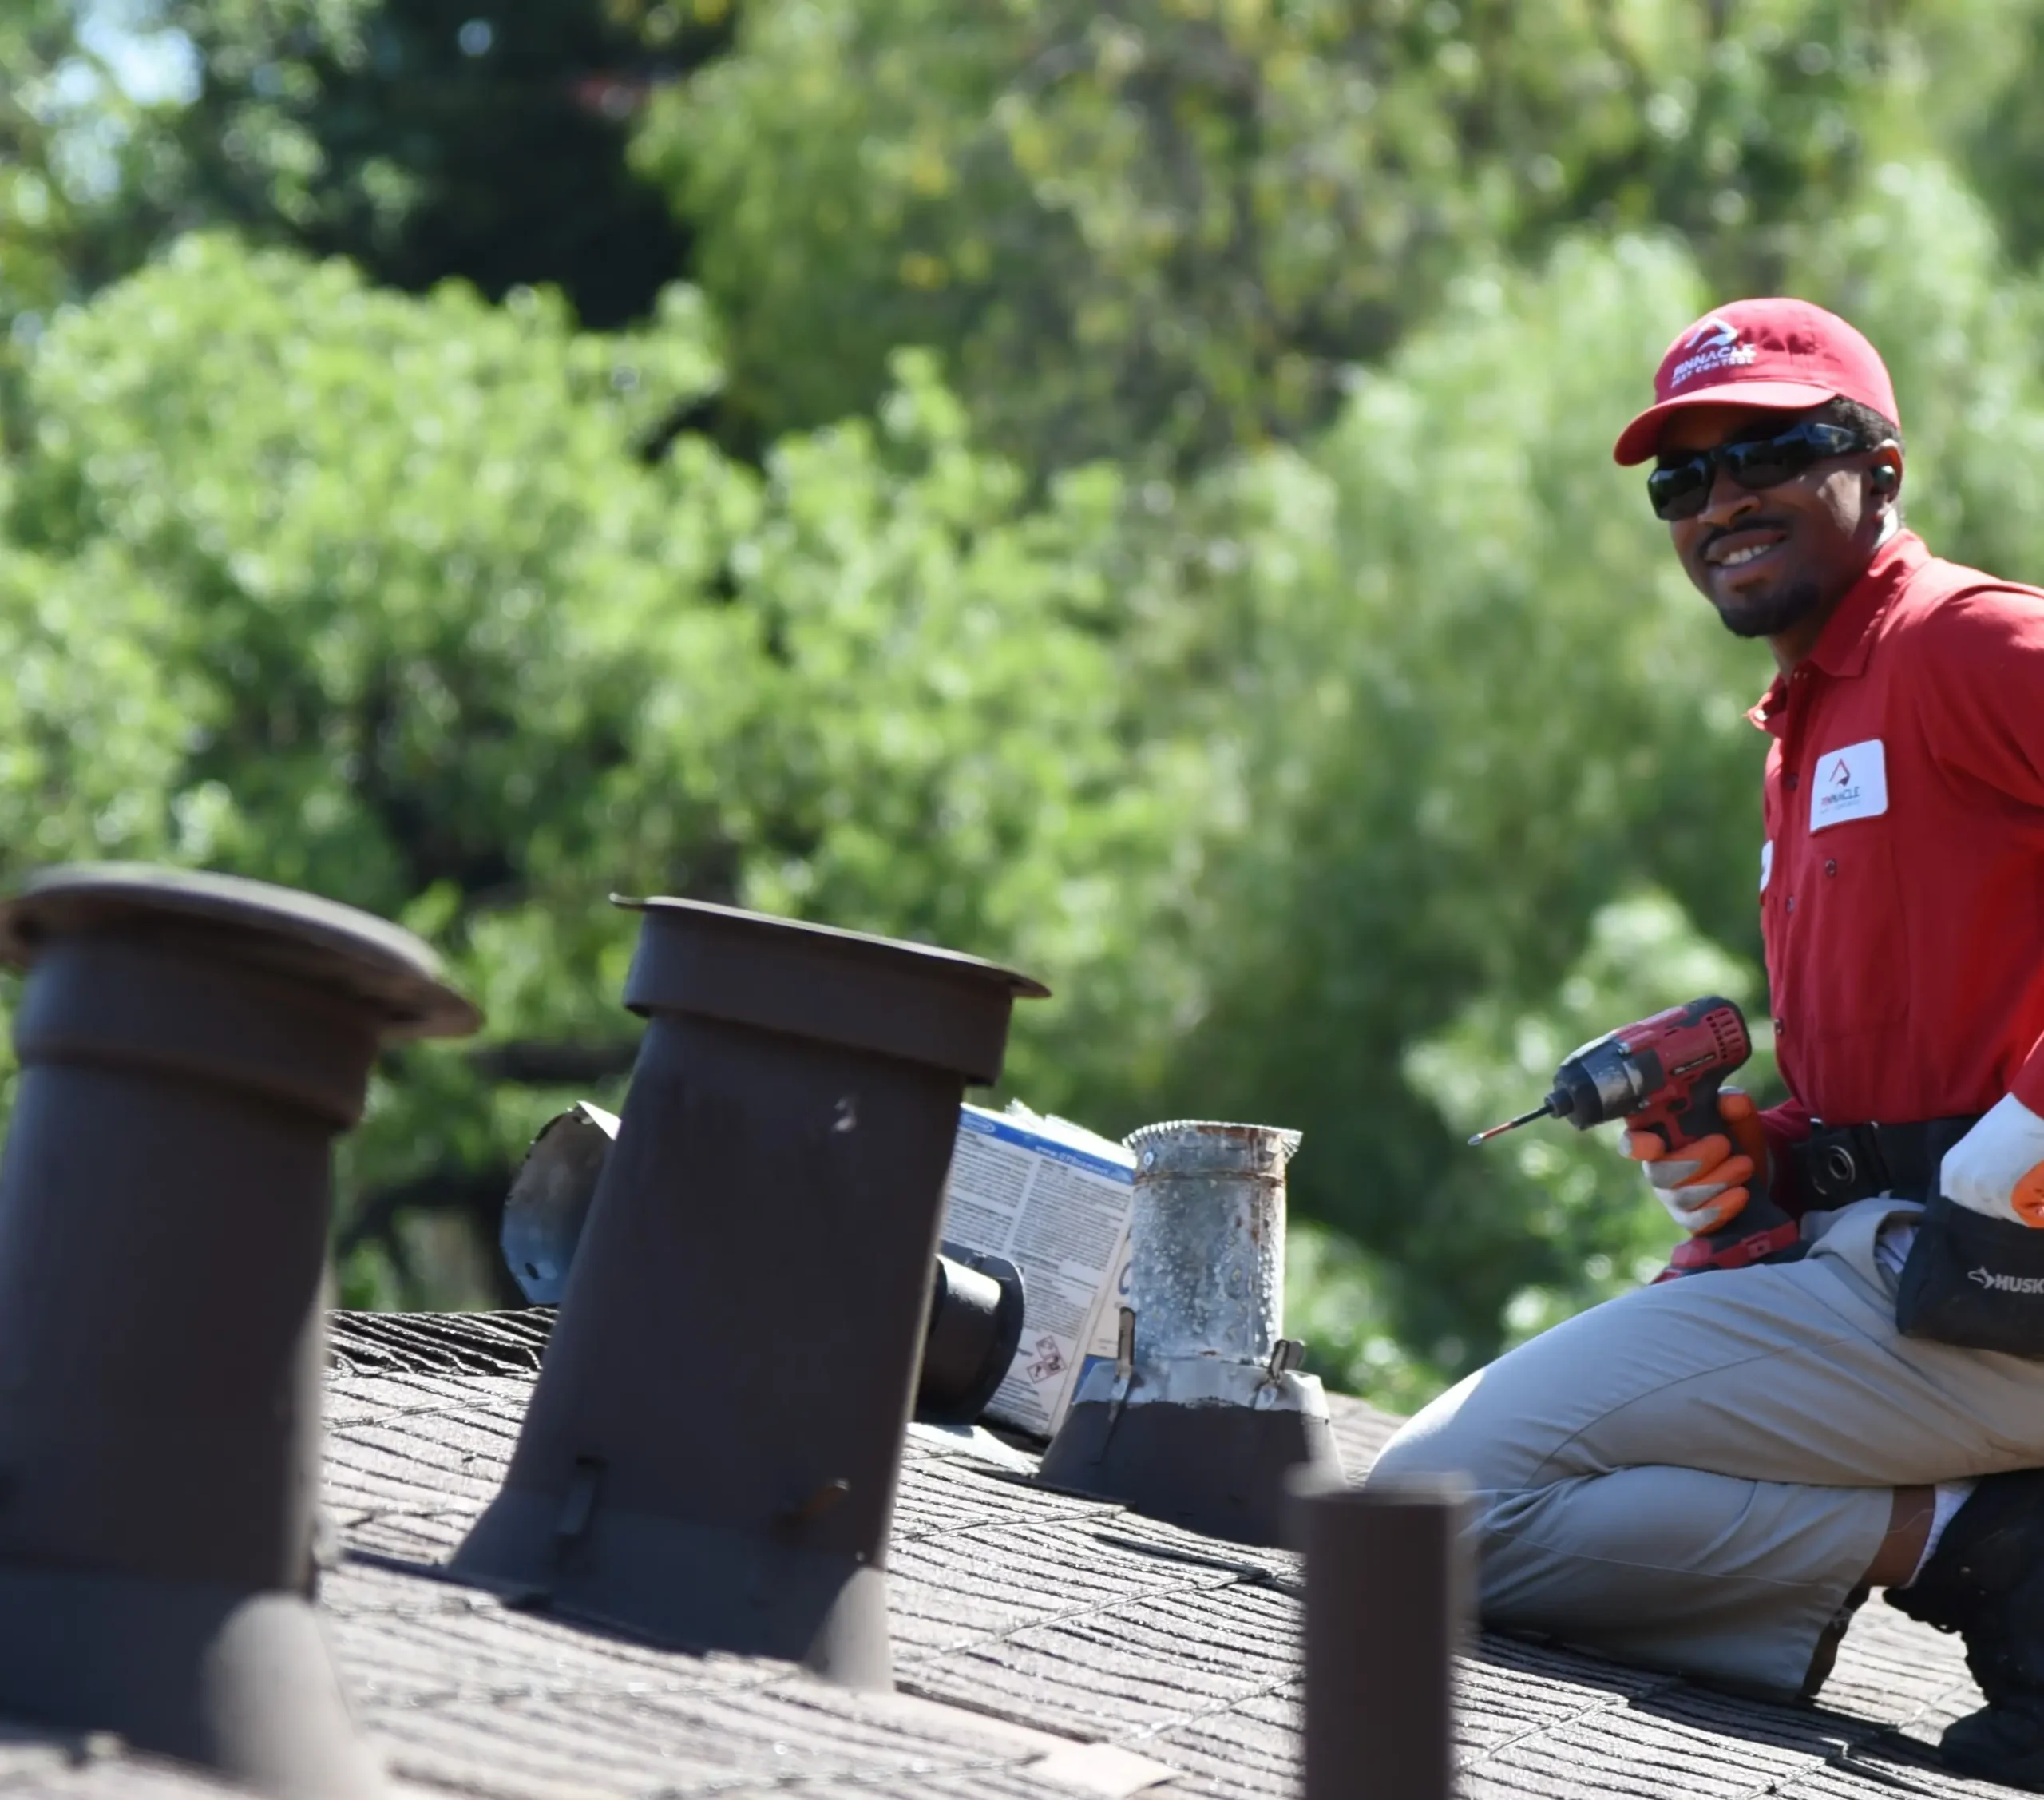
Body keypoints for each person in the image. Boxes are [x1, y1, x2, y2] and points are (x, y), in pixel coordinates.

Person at [1368, 297, 2044, 1789]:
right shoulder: (1807, 727)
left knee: (1414, 1520)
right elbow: (1909, 1062)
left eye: (1771, 453)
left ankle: (1988, 1542)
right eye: (1683, 479)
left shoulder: (1967, 644)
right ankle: (1988, 1536)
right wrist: (1779, 1156)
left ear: (1880, 466)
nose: (1722, 500)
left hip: (2004, 1286)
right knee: (1429, 1516)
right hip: (1914, 1260)